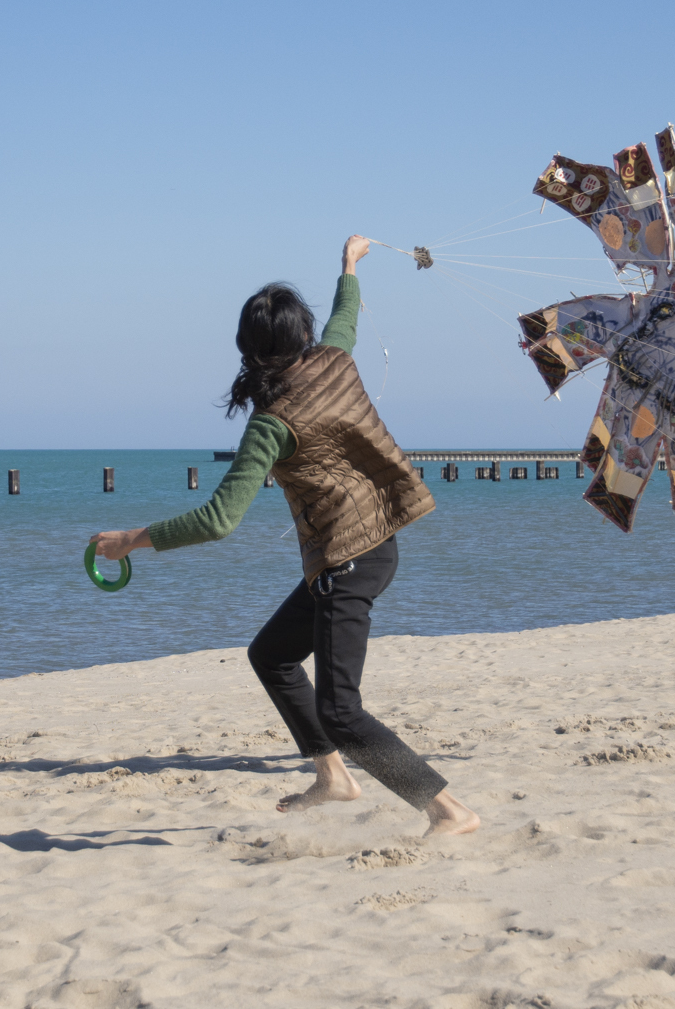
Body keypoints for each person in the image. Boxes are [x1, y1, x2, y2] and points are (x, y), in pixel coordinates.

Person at [91, 235, 480, 837]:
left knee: (342, 711)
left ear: (250, 352)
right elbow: (345, 319)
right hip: (374, 549)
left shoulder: (272, 423)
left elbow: (219, 519)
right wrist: (349, 266)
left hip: (347, 562)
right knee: (271, 655)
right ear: (303, 338)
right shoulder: (335, 360)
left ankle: (449, 811)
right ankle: (333, 778)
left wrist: (130, 540)